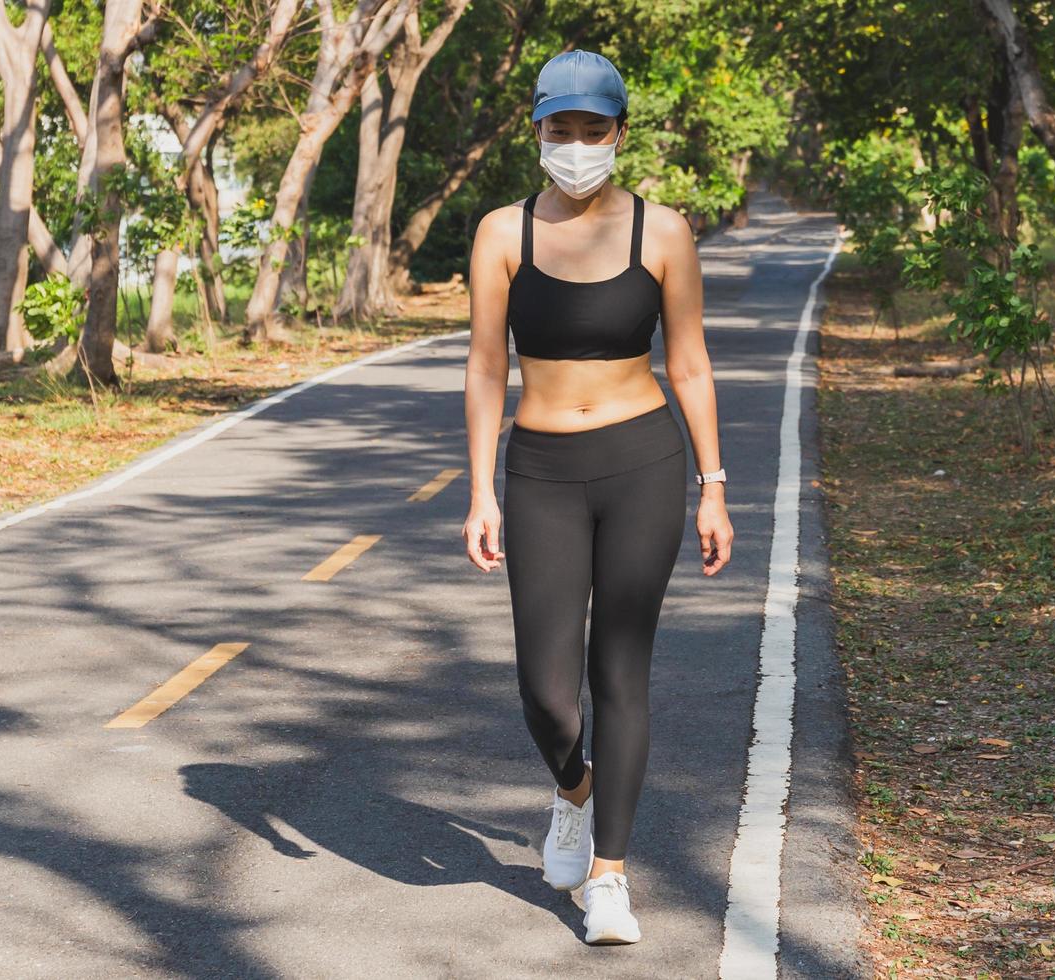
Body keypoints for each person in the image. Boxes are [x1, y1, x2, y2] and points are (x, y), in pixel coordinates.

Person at [460, 49, 735, 945]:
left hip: (642, 462)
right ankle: (573, 792)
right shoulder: (504, 233)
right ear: (537, 132)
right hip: (539, 468)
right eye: (559, 129)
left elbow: (689, 362)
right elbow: (486, 365)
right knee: (545, 690)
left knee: (620, 667)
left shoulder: (664, 233)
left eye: (592, 129)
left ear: (619, 133)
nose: (576, 144)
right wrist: (479, 491)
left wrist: (713, 487)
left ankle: (610, 878)